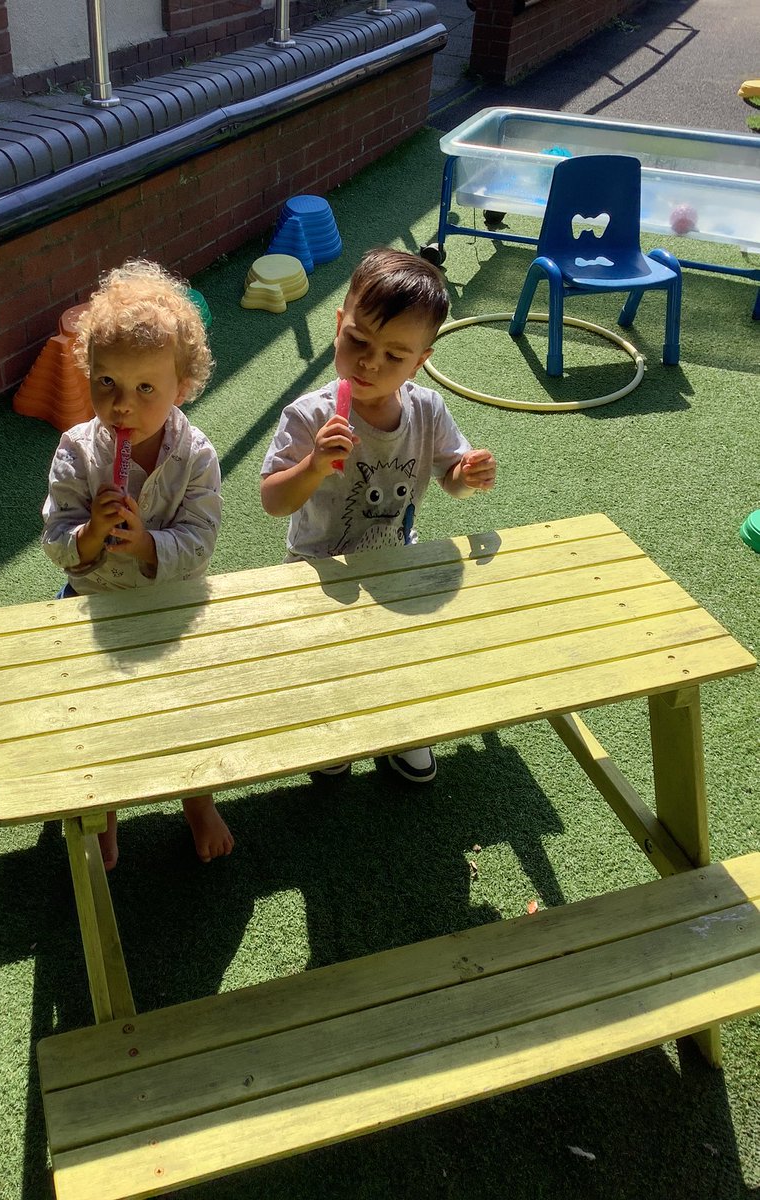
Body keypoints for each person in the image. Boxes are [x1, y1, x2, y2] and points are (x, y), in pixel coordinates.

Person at [260, 246, 496, 783]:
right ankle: (334, 729)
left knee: (400, 649)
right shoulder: (309, 416)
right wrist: (315, 465)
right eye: (358, 341)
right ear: (338, 325)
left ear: (420, 360)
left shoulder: (428, 411)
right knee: (329, 658)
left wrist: (467, 475)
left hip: (394, 561)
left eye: (394, 355)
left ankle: (402, 728)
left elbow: (449, 478)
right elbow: (274, 501)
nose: (370, 363)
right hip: (319, 565)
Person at [41, 259, 234, 868]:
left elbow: (200, 540)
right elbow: (55, 537)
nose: (122, 406)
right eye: (107, 385)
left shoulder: (196, 455)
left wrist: (150, 544)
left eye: (145, 389)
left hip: (169, 604)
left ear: (182, 386)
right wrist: (92, 533)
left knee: (185, 709)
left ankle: (196, 798)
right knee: (98, 717)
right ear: (89, 377)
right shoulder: (77, 451)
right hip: (93, 604)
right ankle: (108, 812)